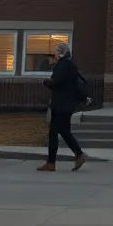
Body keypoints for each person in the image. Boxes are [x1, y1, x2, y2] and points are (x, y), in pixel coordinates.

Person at [38, 42, 89, 172]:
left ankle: (77, 154)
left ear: (63, 52)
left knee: (58, 131)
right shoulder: (69, 64)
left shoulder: (64, 64)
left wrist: (45, 82)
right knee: (59, 131)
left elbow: (57, 82)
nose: (56, 53)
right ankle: (54, 161)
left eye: (57, 51)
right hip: (67, 104)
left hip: (61, 104)